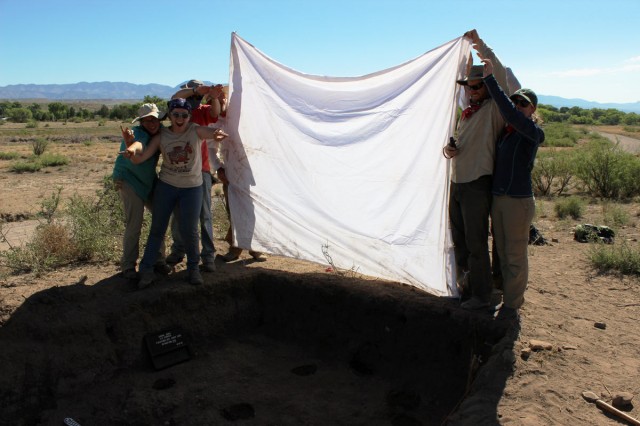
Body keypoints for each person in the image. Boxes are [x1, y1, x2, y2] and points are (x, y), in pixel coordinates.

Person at [122, 98, 228, 288]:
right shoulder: (162, 136)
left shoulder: (195, 130)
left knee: (190, 231)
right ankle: (146, 270)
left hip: (192, 188)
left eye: (184, 115)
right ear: (169, 115)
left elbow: (210, 132)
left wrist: (217, 133)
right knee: (157, 229)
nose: (180, 118)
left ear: (189, 116)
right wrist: (131, 151)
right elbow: (141, 157)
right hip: (167, 186)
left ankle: (193, 269)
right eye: (176, 114)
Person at [443, 29, 510, 311]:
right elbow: (456, 145)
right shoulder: (467, 113)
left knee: (475, 241)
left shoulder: (495, 108)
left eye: (477, 86)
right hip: (458, 181)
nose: (472, 90)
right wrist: (450, 150)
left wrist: (480, 45)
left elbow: (502, 79)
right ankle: (466, 289)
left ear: (487, 88)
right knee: (458, 239)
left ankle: (481, 296)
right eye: (469, 86)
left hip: (476, 183)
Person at [480, 57, 545, 321]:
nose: (518, 106)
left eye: (523, 104)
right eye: (516, 101)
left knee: (515, 253)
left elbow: (507, 111)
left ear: (532, 110)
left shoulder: (532, 132)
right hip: (501, 198)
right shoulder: (507, 133)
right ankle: (508, 299)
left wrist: (489, 79)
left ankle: (513, 304)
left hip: (518, 201)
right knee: (503, 251)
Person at [164, 79, 224, 272]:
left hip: (202, 170)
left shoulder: (199, 112)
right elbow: (176, 97)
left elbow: (214, 113)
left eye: (197, 96)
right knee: (179, 215)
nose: (194, 99)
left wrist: (213, 97)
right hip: (178, 172)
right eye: (192, 95)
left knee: (204, 214)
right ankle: (179, 249)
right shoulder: (178, 111)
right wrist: (196, 90)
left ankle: (207, 255)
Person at [112, 103, 170, 279]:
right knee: (134, 223)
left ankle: (159, 260)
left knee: (160, 217)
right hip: (128, 179)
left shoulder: (162, 132)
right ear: (141, 122)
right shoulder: (136, 133)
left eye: (154, 120)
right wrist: (130, 146)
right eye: (147, 121)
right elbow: (138, 145)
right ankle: (128, 265)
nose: (151, 124)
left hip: (148, 180)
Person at [207, 89, 265, 262]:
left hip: (251, 171)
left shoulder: (245, 119)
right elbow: (211, 148)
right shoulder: (215, 123)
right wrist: (219, 168)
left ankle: (252, 246)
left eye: (223, 98)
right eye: (217, 99)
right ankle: (236, 248)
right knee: (234, 209)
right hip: (231, 171)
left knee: (252, 210)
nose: (222, 102)